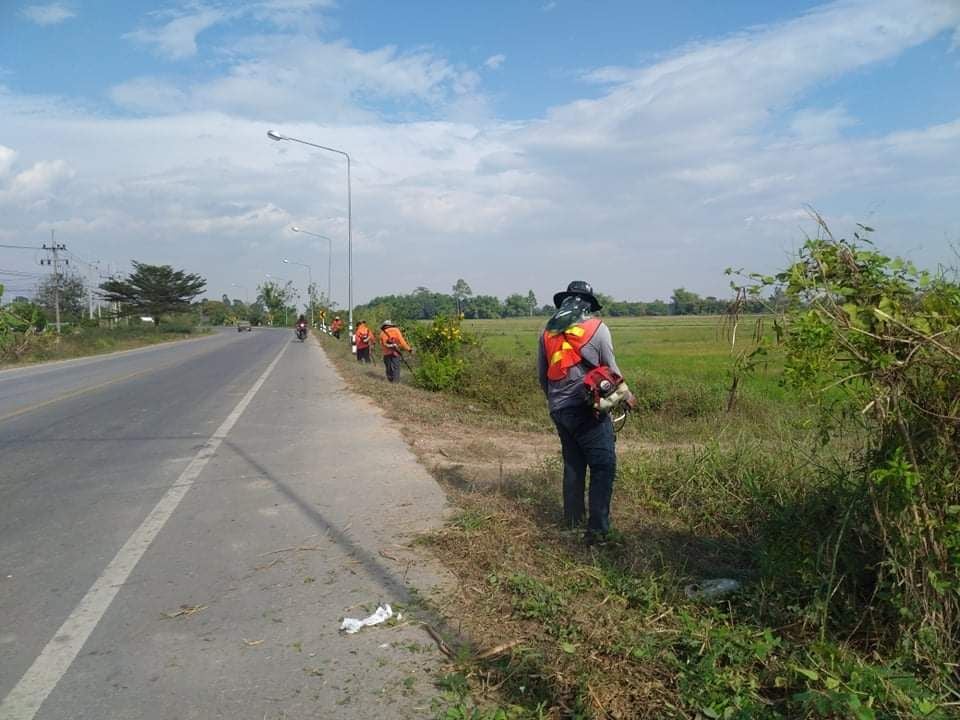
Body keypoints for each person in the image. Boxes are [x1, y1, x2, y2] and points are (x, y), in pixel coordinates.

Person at [538, 281, 635, 544]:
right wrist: (627, 396)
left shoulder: (547, 331)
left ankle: (572, 522)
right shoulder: (598, 328)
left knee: (574, 464)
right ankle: (598, 530)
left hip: (559, 410)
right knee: (603, 465)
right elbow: (611, 369)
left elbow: (542, 376)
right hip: (587, 409)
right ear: (588, 304)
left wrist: (557, 402)